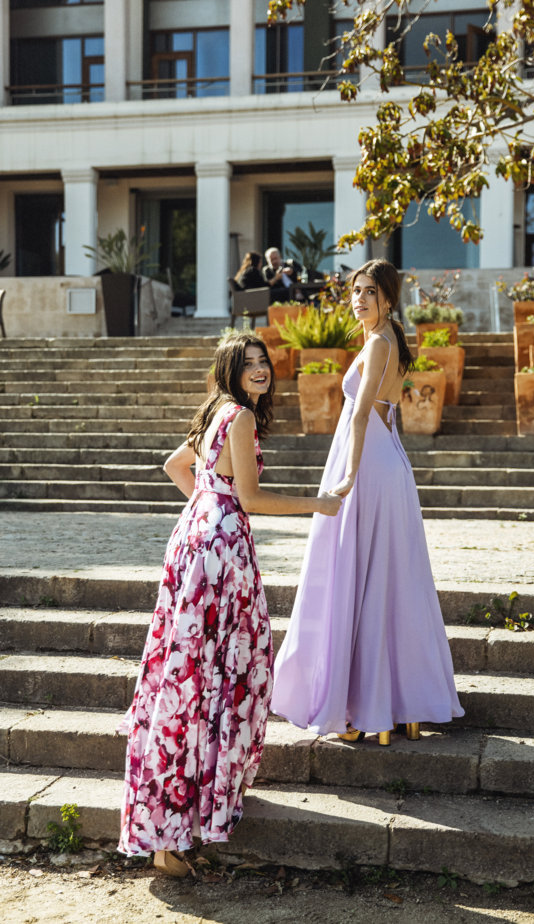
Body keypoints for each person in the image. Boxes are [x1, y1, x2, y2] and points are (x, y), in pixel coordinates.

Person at [118, 332, 341, 875]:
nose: (261, 370)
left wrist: (205, 505)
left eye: (264, 361)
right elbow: (251, 498)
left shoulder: (217, 411)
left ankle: (173, 823)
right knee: (229, 669)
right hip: (220, 553)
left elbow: (177, 467)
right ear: (232, 371)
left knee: (190, 672)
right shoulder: (238, 417)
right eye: (250, 364)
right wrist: (321, 505)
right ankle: (189, 817)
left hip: (194, 540)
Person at [271, 259, 464, 744]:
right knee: (387, 580)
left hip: (370, 467)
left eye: (369, 292)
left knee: (365, 576)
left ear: (388, 299)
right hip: (385, 462)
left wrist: (348, 476)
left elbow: (360, 414)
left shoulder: (380, 341)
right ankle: (397, 704)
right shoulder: (385, 339)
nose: (359, 299)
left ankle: (368, 709)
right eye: (355, 291)